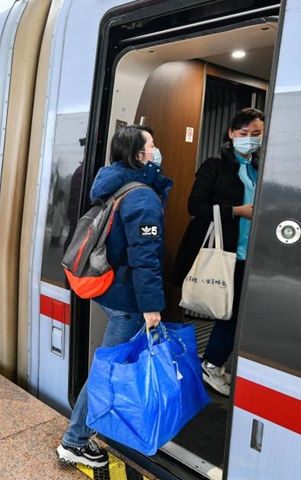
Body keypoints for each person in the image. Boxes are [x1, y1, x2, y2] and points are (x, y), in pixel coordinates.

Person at [56, 125, 171, 467]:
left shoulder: (116, 184)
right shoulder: (142, 195)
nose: (156, 150)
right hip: (126, 299)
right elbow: (144, 257)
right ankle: (74, 441)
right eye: (152, 145)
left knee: (112, 364)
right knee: (106, 370)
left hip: (110, 289)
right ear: (139, 155)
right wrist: (151, 307)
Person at [172, 107, 264, 397]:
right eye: (243, 133)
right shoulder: (215, 165)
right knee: (230, 313)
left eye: (256, 134)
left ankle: (213, 361)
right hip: (223, 250)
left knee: (237, 313)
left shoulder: (260, 167)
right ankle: (211, 363)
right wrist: (237, 211)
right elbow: (195, 206)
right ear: (231, 133)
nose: (249, 139)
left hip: (251, 252)